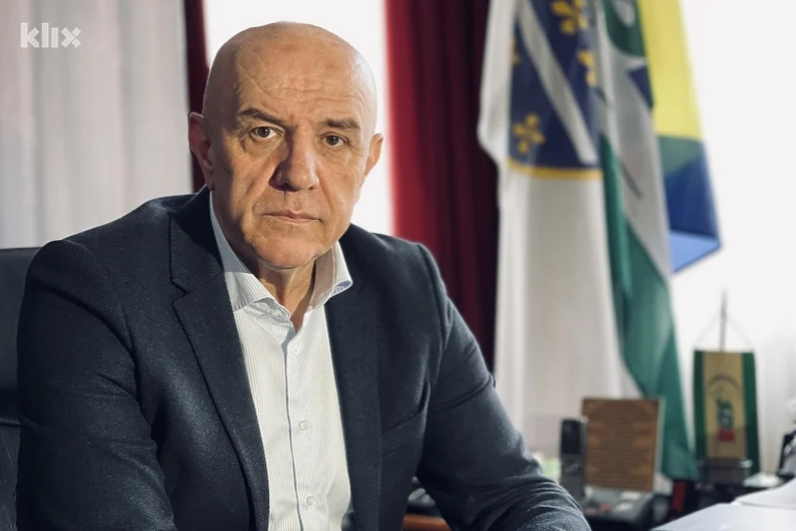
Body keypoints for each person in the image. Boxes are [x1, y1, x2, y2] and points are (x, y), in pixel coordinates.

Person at [15, 22, 590, 531]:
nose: (299, 174)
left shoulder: (407, 284)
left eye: (335, 140)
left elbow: (512, 494)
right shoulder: (93, 289)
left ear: (368, 161)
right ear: (206, 147)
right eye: (264, 132)